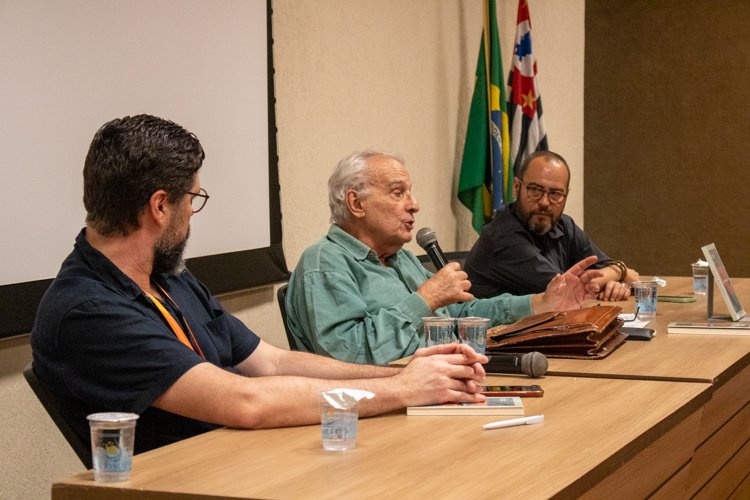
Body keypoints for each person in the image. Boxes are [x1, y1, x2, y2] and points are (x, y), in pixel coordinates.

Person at [30, 115, 491, 455]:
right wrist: (402, 391)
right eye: (193, 198)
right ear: (159, 206)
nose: (193, 212)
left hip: (247, 460)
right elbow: (244, 401)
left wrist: (403, 374)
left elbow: (270, 362)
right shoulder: (88, 310)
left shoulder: (168, 278)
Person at [286, 150, 604, 365]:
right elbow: (349, 356)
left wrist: (539, 304)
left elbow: (462, 315)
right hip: (375, 415)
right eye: (399, 193)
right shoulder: (325, 263)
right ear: (356, 203)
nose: (414, 205)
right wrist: (424, 299)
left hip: (442, 387)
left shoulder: (402, 259)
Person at [464, 151, 639, 301]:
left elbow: (604, 266)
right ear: (516, 187)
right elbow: (566, 290)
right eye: (535, 190)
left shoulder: (564, 225)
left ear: (566, 194)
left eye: (555, 193)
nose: (545, 202)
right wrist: (620, 271)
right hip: (494, 336)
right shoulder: (502, 238)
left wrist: (615, 282)